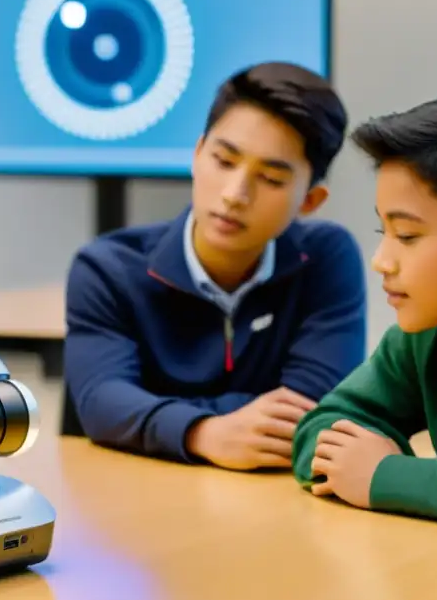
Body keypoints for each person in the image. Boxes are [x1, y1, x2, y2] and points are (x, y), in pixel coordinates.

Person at [64, 62, 366, 470]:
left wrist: (153, 413)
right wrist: (202, 432)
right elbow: (100, 404)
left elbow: (310, 412)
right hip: (140, 496)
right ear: (197, 154)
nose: (235, 194)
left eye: (272, 179)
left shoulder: (327, 258)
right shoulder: (107, 268)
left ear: (309, 201)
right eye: (224, 161)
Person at [292, 86, 437, 534]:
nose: (381, 260)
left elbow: (374, 473)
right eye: (384, 230)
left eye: (408, 236)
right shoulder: (425, 336)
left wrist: (389, 477)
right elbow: (320, 429)